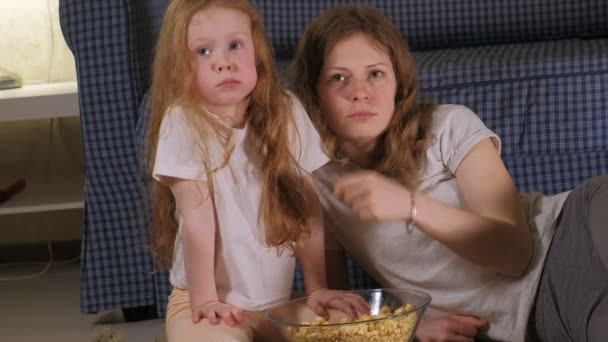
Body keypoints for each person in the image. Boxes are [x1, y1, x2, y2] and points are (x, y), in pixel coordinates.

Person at [290, 4, 608, 342]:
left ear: (399, 83)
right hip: (545, 314)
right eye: (338, 77)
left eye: (376, 73)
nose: (360, 92)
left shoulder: (449, 125)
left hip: (572, 229)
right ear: (314, 94)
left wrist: (411, 205)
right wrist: (409, 331)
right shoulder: (319, 183)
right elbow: (338, 315)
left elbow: (517, 255)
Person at [146, 1, 367, 341]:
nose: (224, 62)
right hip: (207, 302)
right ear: (180, 66)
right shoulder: (183, 120)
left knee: (360, 331)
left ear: (257, 51)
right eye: (203, 51)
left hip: (280, 306)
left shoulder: (287, 110)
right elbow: (197, 216)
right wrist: (205, 298)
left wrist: (317, 288)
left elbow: (307, 208)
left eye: (235, 45)